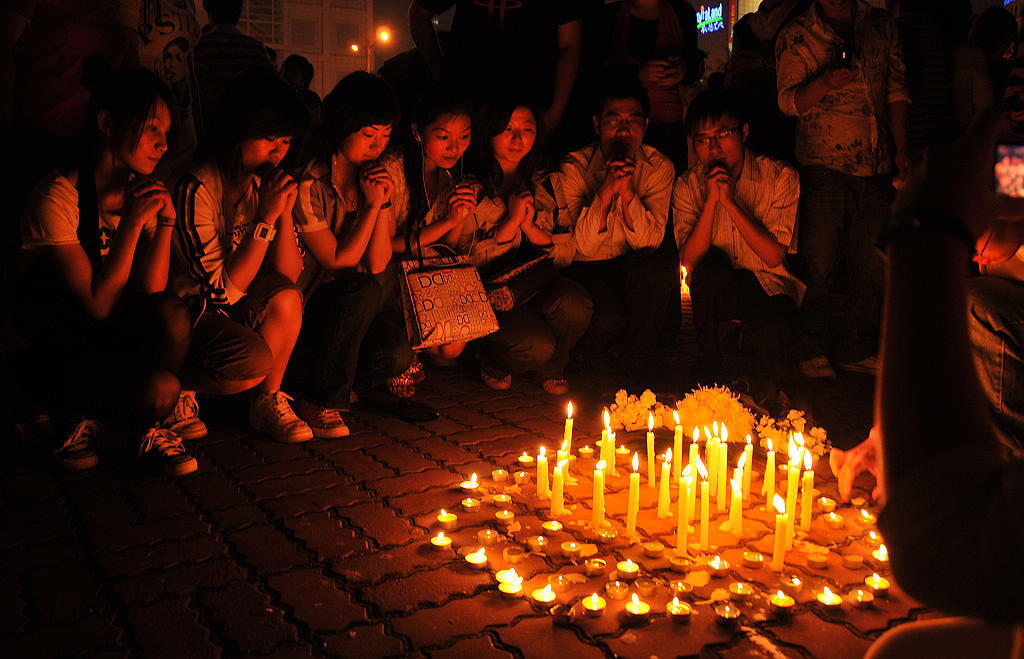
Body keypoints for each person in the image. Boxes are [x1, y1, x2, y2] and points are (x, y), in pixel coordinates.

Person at [830, 109, 1024, 656]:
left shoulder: (1009, 180)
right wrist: (884, 434)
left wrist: (927, 230)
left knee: (977, 305)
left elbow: (935, 551)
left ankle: (995, 485)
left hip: (984, 540)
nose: (975, 249)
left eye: (974, 228)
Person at [17, 67, 198, 475]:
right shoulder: (57, 197)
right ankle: (70, 414)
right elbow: (96, 306)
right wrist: (132, 225)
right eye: (152, 128)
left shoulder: (141, 192)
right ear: (107, 123)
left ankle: (146, 429)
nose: (163, 144)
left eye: (167, 132)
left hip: (114, 340)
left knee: (172, 317)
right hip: (64, 345)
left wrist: (165, 223)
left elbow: (153, 295)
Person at [173, 69, 313, 443]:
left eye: (285, 142)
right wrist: (265, 217)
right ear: (238, 130)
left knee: (286, 298)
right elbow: (221, 294)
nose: (278, 152)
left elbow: (288, 275)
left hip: (232, 304)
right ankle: (178, 388)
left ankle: (267, 401)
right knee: (251, 362)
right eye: (269, 138)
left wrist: (282, 212)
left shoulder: (260, 185)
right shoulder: (196, 186)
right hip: (190, 312)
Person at [776, 0, 910, 378]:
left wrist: (901, 148)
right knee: (819, 261)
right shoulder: (799, 33)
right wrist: (824, 83)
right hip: (823, 162)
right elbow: (787, 101)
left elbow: (897, 89)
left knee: (870, 260)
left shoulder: (878, 23)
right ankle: (811, 346)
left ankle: (858, 344)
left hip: (877, 160)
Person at [288, 72, 418, 435]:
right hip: (304, 313)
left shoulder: (374, 179)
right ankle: (318, 398)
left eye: (386, 135)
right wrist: (369, 208)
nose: (377, 146)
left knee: (395, 354)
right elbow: (339, 263)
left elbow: (377, 262)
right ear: (343, 124)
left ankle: (316, 384)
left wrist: (378, 203)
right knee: (363, 289)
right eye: (368, 134)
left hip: (349, 314)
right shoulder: (310, 182)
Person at [673, 89, 802, 407]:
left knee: (772, 333)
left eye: (723, 135)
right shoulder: (688, 186)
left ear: (743, 132)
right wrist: (711, 203)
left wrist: (730, 203)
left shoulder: (780, 177)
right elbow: (689, 261)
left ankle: (749, 378)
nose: (713, 148)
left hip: (768, 288)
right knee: (711, 268)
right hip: (718, 291)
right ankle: (715, 369)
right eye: (702, 140)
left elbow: (773, 256)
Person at [460, 99, 593, 394]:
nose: (518, 139)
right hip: (490, 295)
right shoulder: (471, 187)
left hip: (535, 285)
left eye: (527, 129)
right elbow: (464, 258)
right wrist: (509, 223)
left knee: (575, 303)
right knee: (536, 345)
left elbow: (567, 251)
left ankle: (553, 367)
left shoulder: (547, 183)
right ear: (489, 133)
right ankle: (492, 359)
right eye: (507, 129)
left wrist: (530, 227)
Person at [556, 77, 676, 373]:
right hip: (587, 265)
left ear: (645, 125)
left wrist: (627, 191)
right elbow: (580, 246)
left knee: (659, 273)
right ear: (597, 124)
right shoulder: (573, 168)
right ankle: (596, 364)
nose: (623, 129)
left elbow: (651, 242)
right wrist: (608, 189)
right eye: (614, 120)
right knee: (609, 319)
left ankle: (637, 368)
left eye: (633, 120)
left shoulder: (659, 167)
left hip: (633, 261)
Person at [378, 84, 478, 367]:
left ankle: (412, 353)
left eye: (464, 137)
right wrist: (449, 220)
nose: (455, 147)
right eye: (444, 137)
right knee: (438, 346)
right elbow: (388, 247)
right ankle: (400, 354)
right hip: (388, 272)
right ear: (417, 132)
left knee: (453, 348)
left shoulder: (449, 177)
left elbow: (448, 245)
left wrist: (458, 214)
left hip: (425, 271)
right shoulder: (392, 170)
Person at [407, 0, 582, 134]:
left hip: (528, 108)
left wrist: (555, 113)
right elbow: (418, 14)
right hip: (467, 106)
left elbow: (569, 45)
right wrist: (441, 73)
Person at [603, 0, 700, 171]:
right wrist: (638, 74)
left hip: (668, 125)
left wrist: (682, 70)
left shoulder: (682, 12)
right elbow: (596, 75)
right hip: (623, 122)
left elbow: (692, 67)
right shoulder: (611, 15)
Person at [190, 0, 273, 138]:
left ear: (209, 10)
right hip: (247, 133)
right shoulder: (256, 49)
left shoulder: (201, 46)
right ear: (238, 13)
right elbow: (268, 93)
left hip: (210, 133)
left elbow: (195, 94)